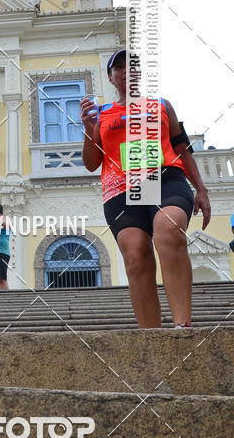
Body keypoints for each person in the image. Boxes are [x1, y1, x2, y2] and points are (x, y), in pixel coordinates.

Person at [81, 49, 211, 329]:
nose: (127, 71)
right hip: (121, 189)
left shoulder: (162, 105)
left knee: (168, 229)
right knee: (136, 255)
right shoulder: (102, 114)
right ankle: (151, 337)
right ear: (110, 77)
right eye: (120, 68)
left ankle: (182, 326)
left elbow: (182, 148)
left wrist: (201, 189)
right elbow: (92, 163)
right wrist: (88, 129)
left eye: (133, 66)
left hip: (164, 178)